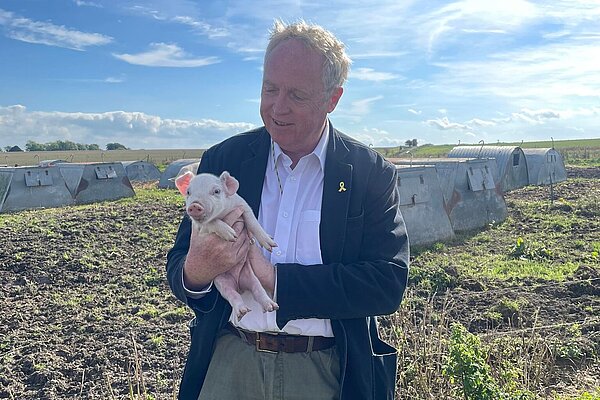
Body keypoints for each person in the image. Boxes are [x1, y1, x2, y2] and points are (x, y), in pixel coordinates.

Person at [166, 20, 409, 400]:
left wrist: (274, 280)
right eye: (270, 89)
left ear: (333, 98)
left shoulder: (368, 172)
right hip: (230, 362)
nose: (278, 108)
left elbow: (385, 283)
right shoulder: (224, 159)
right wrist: (196, 271)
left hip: (325, 370)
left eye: (297, 95)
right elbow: (180, 265)